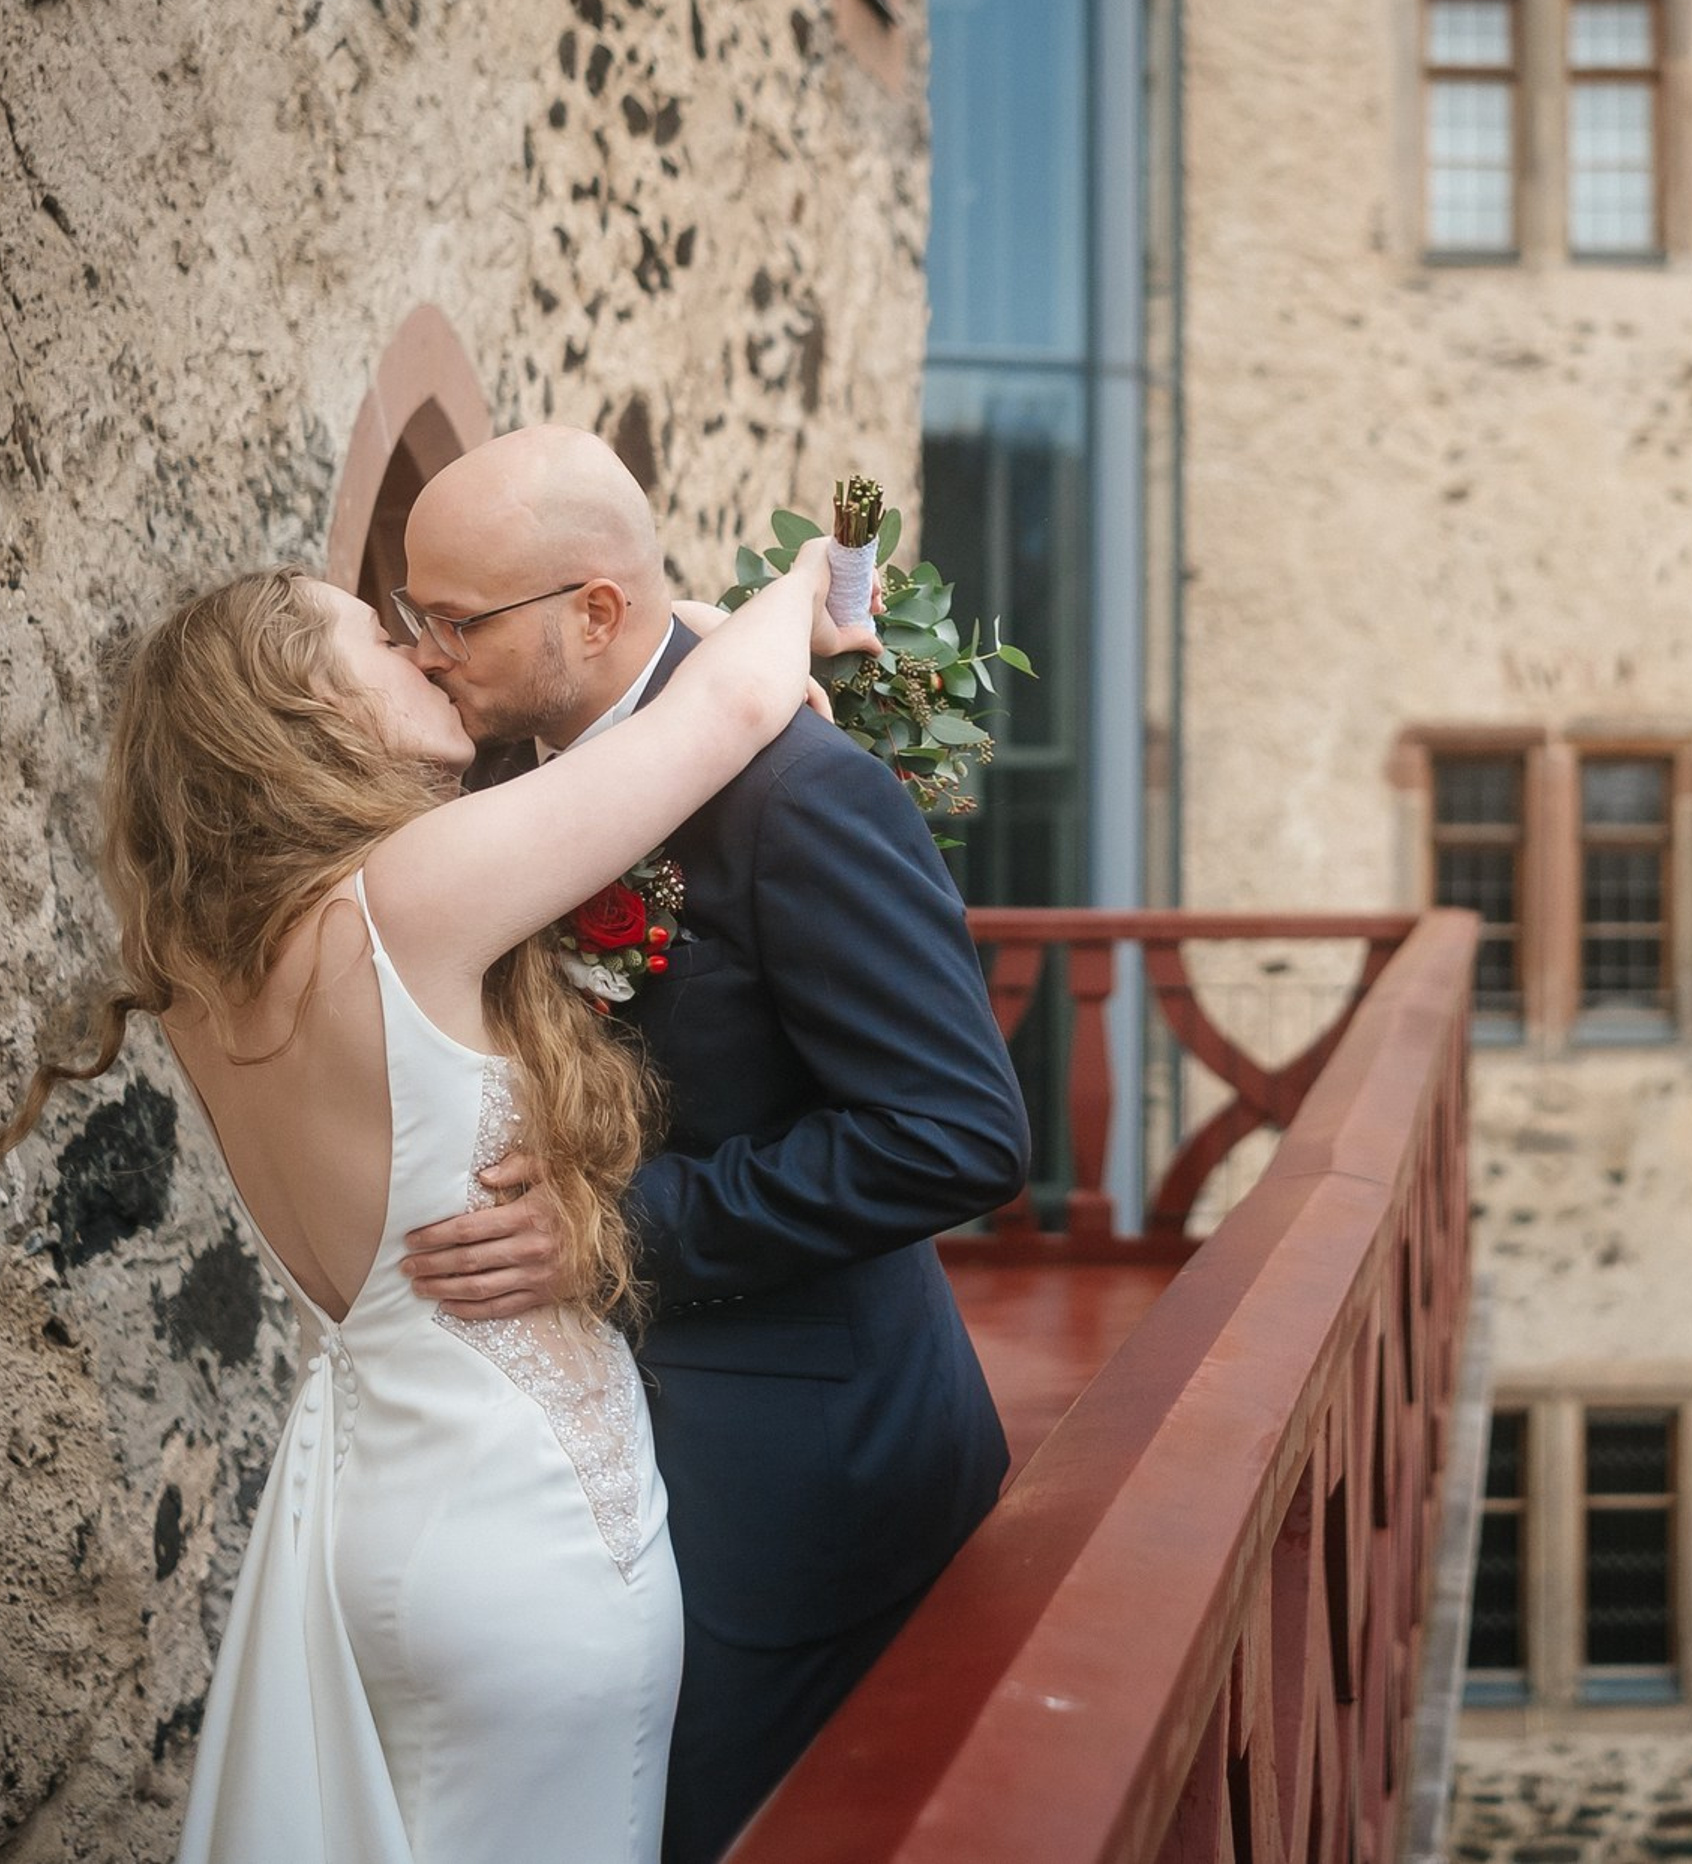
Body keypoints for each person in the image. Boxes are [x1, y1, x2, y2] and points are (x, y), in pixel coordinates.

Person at [0, 523, 854, 1864]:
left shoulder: (200, 979)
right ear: (313, 709)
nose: (423, 654)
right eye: (380, 640)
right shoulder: (410, 897)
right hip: (529, 1543)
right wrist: (815, 578)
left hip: (371, 1514)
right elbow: (734, 704)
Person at [393, 429, 1031, 1864]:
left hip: (796, 1477)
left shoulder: (799, 796)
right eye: (409, 616)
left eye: (454, 621)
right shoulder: (523, 779)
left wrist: (622, 1226)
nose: (425, 652)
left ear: (598, 613)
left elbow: (956, 1133)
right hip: (596, 1451)